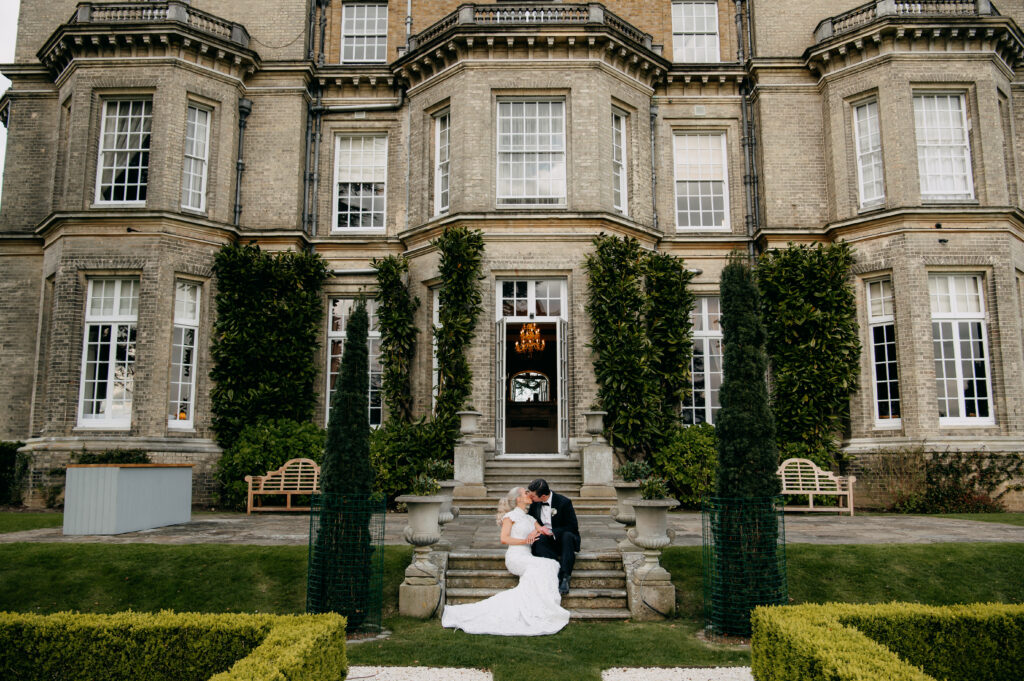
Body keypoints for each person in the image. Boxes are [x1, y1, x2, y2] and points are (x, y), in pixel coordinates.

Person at [441, 486, 570, 636]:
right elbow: (504, 539)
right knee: (543, 565)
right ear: (518, 499)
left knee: (551, 564)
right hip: (515, 557)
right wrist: (525, 540)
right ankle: (534, 606)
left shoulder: (530, 518)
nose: (530, 494)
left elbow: (544, 531)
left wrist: (550, 530)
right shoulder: (510, 517)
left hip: (527, 556)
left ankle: (542, 606)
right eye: (526, 493)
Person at [526, 478, 580, 596]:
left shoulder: (564, 502)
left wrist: (551, 531)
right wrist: (537, 530)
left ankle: (565, 577)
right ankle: (554, 568)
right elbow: (530, 520)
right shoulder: (535, 503)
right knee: (538, 541)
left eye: (533, 496)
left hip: (563, 538)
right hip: (546, 540)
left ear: (543, 496)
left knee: (567, 536)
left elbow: (572, 526)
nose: (531, 498)